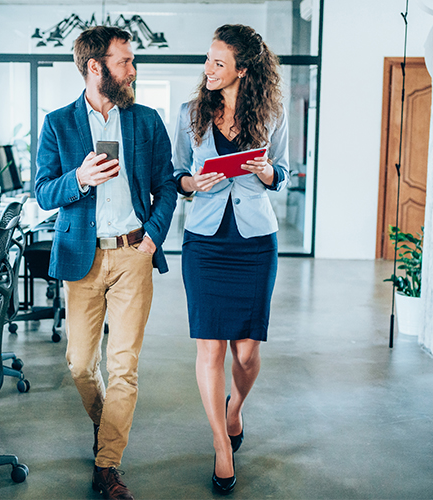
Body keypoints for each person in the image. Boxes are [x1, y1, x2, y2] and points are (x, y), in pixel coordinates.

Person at [35, 26, 177, 500]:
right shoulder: (58, 124)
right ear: (95, 67)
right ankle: (107, 424)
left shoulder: (146, 120)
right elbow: (41, 193)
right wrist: (77, 178)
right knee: (79, 364)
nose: (132, 70)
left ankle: (108, 465)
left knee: (124, 366)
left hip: (134, 252)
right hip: (83, 256)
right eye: (124, 62)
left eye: (132, 61)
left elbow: (166, 185)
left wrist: (153, 238)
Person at [171, 24, 289, 495]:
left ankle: (234, 407)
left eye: (218, 63)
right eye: (207, 60)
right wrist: (190, 184)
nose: (208, 69)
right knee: (210, 348)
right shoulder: (189, 113)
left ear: (243, 69)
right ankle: (221, 446)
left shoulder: (272, 113)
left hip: (255, 242)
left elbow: (284, 169)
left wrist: (268, 173)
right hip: (204, 242)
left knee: (247, 351)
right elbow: (175, 173)